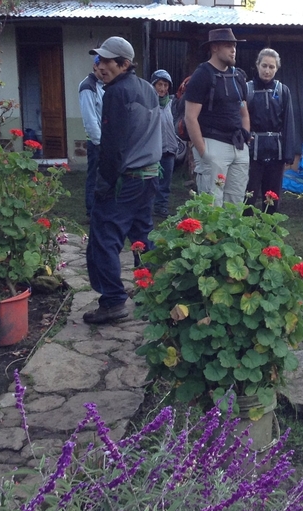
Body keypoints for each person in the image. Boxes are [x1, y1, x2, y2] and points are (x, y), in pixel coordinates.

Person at [84, 37, 161, 325]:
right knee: (142, 235)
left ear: (124, 64)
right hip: (149, 177)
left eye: (106, 61)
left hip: (125, 179)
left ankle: (113, 301)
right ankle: (149, 287)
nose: (99, 66)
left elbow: (113, 146)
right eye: (98, 60)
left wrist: (103, 185)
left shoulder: (117, 92)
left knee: (104, 238)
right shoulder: (147, 89)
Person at [183, 28, 251, 205]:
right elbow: (190, 117)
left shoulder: (238, 76)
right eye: (228, 45)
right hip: (213, 143)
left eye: (234, 45)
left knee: (235, 204)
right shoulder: (202, 75)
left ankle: (230, 235)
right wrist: (205, 153)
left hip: (238, 146)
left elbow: (244, 111)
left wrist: (245, 137)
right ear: (214, 47)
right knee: (212, 206)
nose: (233, 49)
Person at [245, 48, 299, 213]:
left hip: (276, 151)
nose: (267, 70)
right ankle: (243, 234)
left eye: (271, 67)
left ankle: (269, 234)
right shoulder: (247, 89)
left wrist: (289, 154)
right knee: (248, 196)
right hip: (252, 151)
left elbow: (288, 122)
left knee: (272, 197)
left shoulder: (282, 91)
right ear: (257, 65)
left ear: (276, 68)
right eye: (264, 66)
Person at [150, 69, 182, 218]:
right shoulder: (149, 103)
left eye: (166, 85)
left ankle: (162, 207)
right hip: (154, 150)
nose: (163, 89)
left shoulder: (172, 104)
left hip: (169, 149)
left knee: (165, 183)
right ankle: (149, 206)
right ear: (153, 85)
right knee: (152, 181)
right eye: (160, 85)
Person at [78, 56, 105, 218]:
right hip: (96, 141)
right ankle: (91, 210)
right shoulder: (88, 86)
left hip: (106, 140)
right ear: (94, 66)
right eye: (101, 68)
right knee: (94, 176)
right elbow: (90, 119)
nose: (105, 72)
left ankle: (100, 208)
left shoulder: (104, 85)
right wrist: (99, 142)